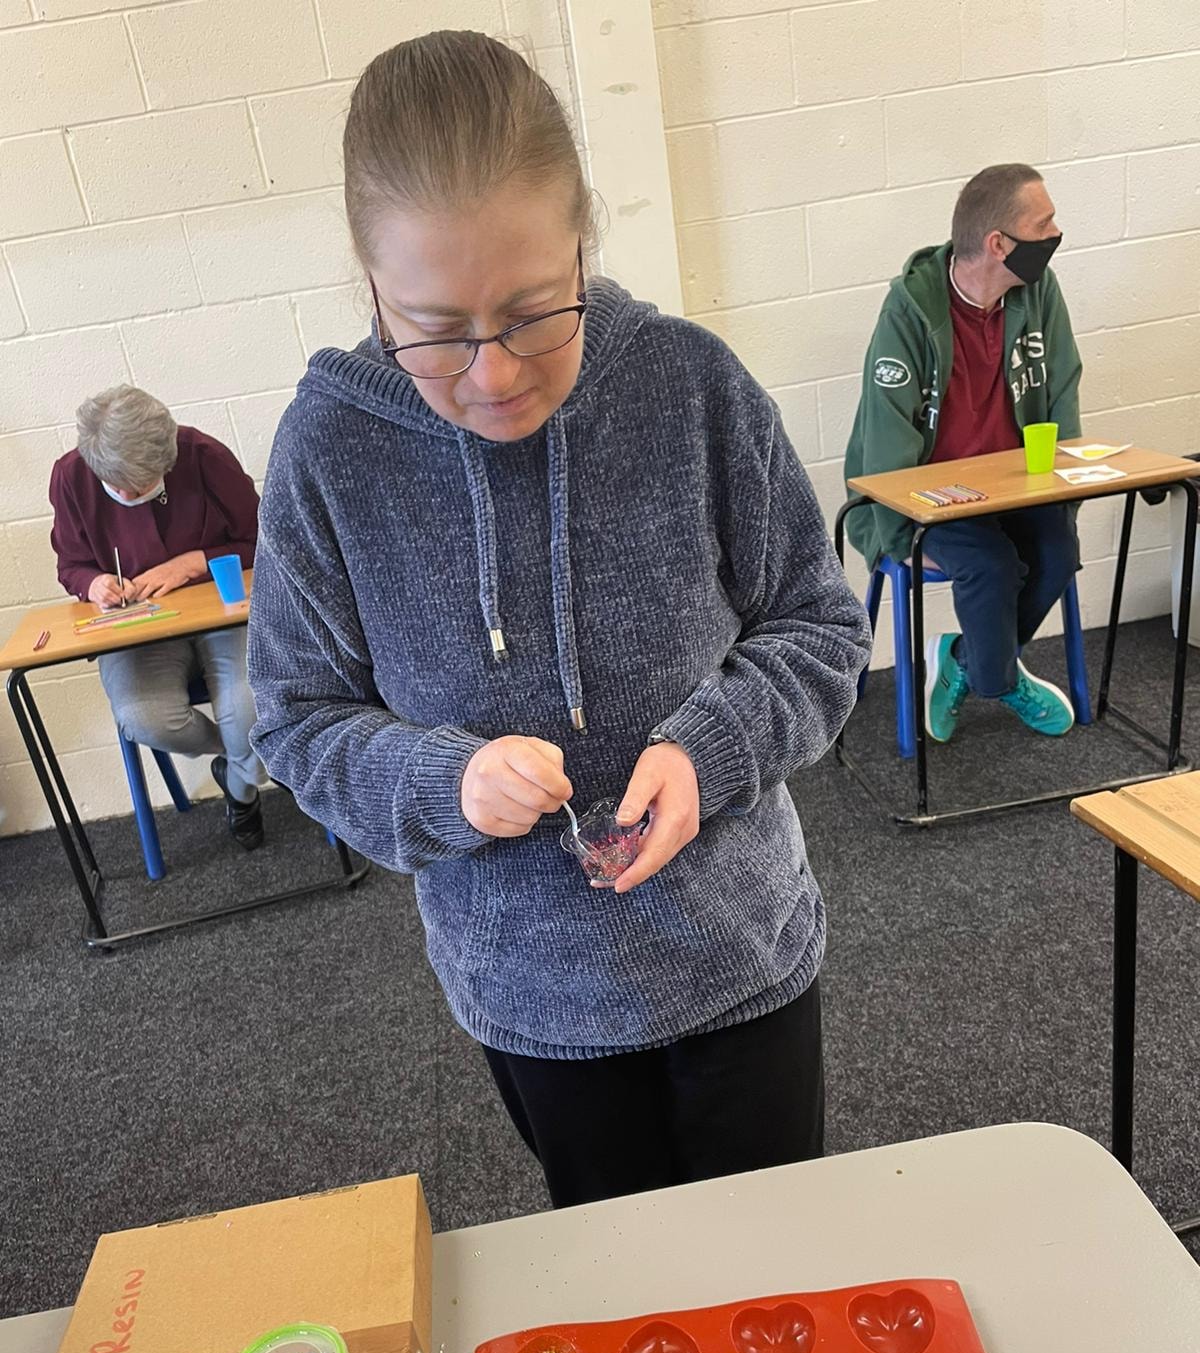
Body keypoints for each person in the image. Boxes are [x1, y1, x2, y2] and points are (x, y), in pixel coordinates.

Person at [247, 31, 871, 1207]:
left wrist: (712, 749)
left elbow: (820, 627)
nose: (493, 374)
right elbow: (299, 719)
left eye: (535, 312)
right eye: (437, 328)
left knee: (779, 1259)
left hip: (741, 956)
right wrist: (441, 781)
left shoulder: (689, 384)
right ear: (370, 284)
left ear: (583, 241)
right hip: (532, 997)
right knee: (615, 1273)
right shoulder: (329, 451)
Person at [844, 163, 1083, 744]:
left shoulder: (1039, 290)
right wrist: (897, 536)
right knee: (991, 565)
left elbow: (1064, 390)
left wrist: (1064, 494)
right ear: (999, 243)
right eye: (1043, 223)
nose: (1056, 233)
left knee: (1058, 553)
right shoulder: (910, 309)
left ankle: (965, 661)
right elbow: (886, 436)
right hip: (930, 496)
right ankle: (999, 681)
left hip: (1015, 486)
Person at [49, 386, 267, 848]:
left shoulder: (203, 455)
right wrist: (93, 583)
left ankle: (242, 789)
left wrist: (194, 562)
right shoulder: (70, 476)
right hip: (140, 631)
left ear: (168, 461)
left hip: (224, 613)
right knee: (143, 717)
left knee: (250, 708)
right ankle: (240, 760)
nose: (127, 495)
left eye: (142, 485)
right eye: (116, 486)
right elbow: (70, 565)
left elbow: (263, 539)